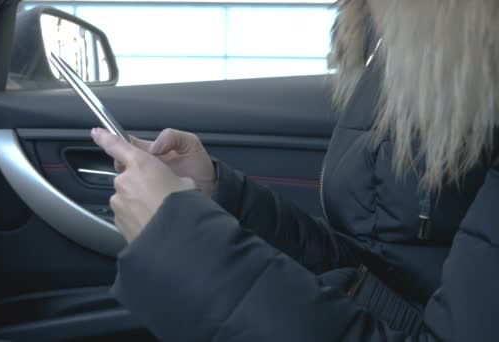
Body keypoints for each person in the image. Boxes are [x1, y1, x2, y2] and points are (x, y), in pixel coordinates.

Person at [91, 0, 499, 340]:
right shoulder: (402, 46)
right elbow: (379, 274)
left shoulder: (453, 53)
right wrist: (218, 199)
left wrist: (182, 245)